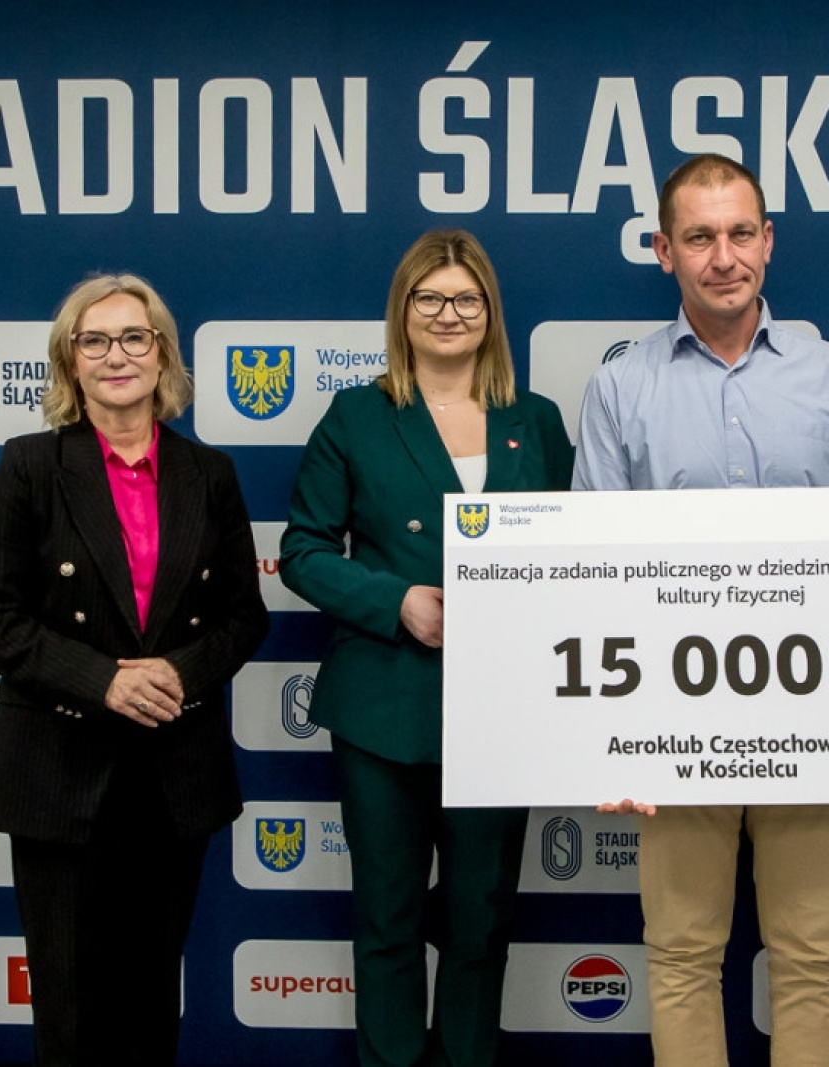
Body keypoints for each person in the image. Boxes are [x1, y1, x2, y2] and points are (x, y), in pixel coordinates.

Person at [575, 153, 829, 1067]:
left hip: (818, 718)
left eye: (741, 232)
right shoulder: (621, 386)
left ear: (769, 241)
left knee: (813, 960)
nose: (724, 256)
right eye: (700, 237)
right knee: (681, 958)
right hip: (672, 721)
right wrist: (612, 736)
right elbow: (595, 572)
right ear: (663, 250)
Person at [280, 229, 572, 1067]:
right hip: (385, 705)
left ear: (490, 312)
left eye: (467, 298)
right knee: (389, 921)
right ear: (403, 311)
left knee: (481, 922)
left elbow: (574, 553)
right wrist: (395, 600)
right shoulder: (356, 415)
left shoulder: (536, 421)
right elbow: (302, 550)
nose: (449, 314)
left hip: (502, 714)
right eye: (430, 298)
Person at [0, 273, 269, 1065]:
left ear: (162, 353)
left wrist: (176, 672)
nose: (116, 355)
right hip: (58, 770)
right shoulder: (30, 466)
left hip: (174, 771)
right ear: (70, 360)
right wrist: (103, 678)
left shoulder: (210, 474)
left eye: (135, 336)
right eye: (94, 340)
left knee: (148, 1004)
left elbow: (243, 617)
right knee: (69, 1012)